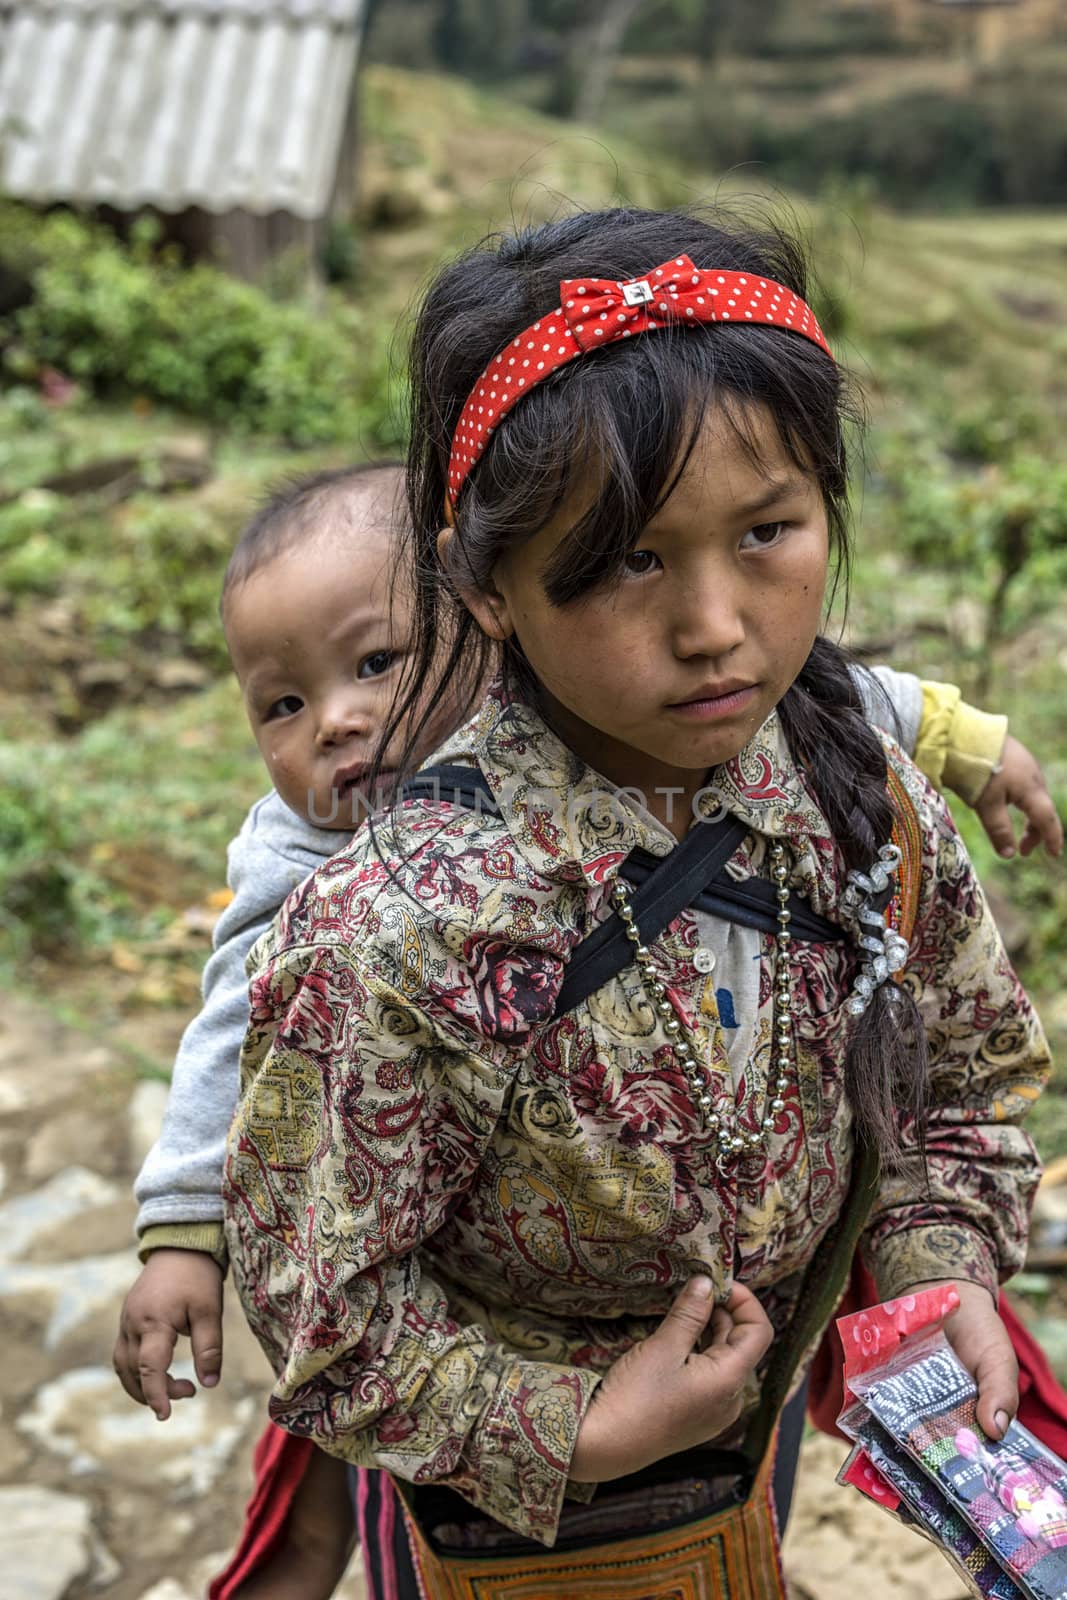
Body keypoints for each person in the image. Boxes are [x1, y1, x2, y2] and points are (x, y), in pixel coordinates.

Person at [219, 206, 1058, 1599]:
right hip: (500, 1528)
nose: (716, 626)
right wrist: (580, 1427)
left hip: (752, 1434)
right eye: (626, 560)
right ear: (484, 590)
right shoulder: (399, 929)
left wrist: (933, 1272)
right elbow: (321, 1310)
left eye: (767, 531)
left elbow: (957, 1086)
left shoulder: (862, 800)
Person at [113, 461, 465, 1600]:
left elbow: (803, 696)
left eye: (375, 663)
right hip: (385, 1276)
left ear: (483, 624)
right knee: (398, 1511)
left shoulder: (554, 749)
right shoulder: (295, 858)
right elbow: (226, 1025)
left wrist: (950, 734)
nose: (338, 720)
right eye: (284, 704)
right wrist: (180, 1227)